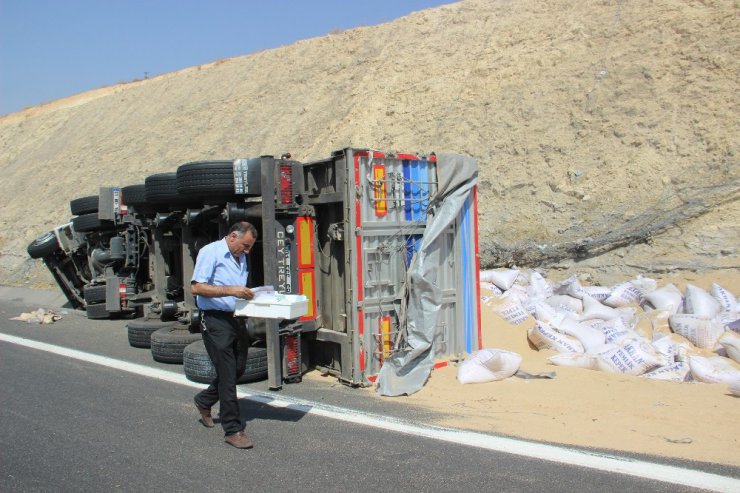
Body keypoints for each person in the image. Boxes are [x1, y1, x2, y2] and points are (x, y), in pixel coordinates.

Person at [191, 221, 258, 449]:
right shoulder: (210, 252)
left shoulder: (240, 256)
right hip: (214, 319)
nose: (247, 251)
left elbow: (238, 288)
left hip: (236, 317)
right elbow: (197, 288)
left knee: (238, 368)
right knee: (228, 375)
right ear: (232, 236)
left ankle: (204, 400)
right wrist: (232, 290)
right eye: (245, 245)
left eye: (249, 248)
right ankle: (233, 429)